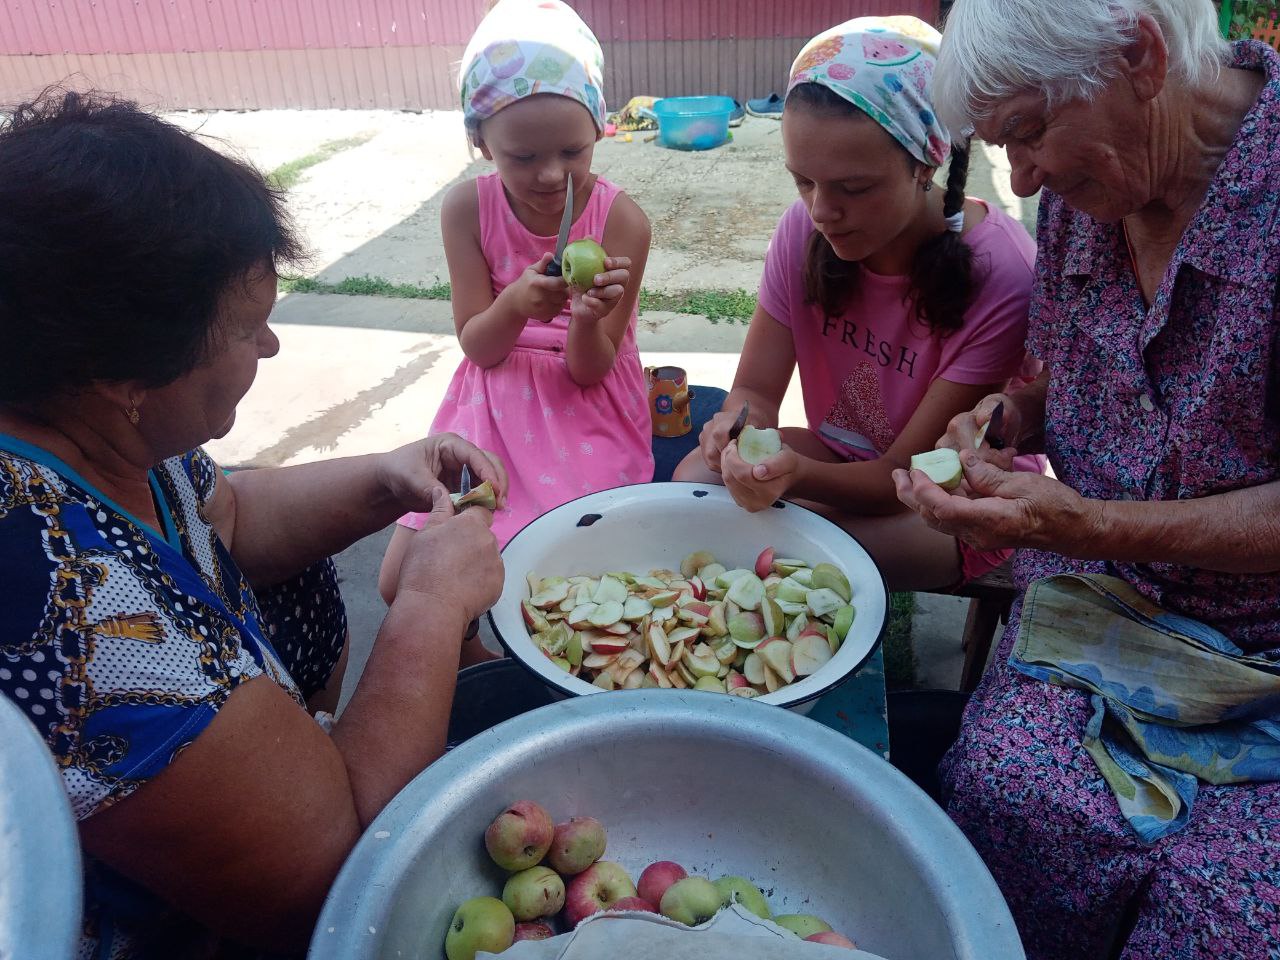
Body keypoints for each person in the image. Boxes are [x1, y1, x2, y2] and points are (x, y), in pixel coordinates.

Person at [0, 90, 506, 958]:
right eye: (249, 328)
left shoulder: (87, 418)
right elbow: (335, 873)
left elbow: (222, 514)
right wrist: (429, 602)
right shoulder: (79, 612)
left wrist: (388, 478)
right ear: (129, 376)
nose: (271, 348)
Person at [894, 1, 1280, 956]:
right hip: (1108, 606)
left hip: (1265, 649)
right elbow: (1078, 365)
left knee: (1226, 918)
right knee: (1004, 797)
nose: (1021, 179)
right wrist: (1011, 415)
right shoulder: (1085, 197)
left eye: (1027, 133)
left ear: (1142, 56)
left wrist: (1092, 524)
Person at [672, 16, 1043, 591]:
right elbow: (757, 392)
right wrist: (735, 433)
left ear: (925, 164)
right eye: (803, 181)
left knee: (791, 552)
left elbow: (904, 471)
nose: (821, 211)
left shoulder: (1001, 271)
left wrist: (792, 477)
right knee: (692, 481)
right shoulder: (804, 231)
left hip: (946, 499)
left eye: (854, 188)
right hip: (841, 454)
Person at [379, 0, 653, 602]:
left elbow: (591, 371)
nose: (552, 176)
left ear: (599, 130)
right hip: (493, 394)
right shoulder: (466, 210)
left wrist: (584, 317)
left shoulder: (622, 221)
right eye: (524, 157)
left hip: (585, 403)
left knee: (567, 575)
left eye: (573, 152)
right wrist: (514, 308)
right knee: (401, 583)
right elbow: (478, 345)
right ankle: (477, 668)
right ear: (480, 141)